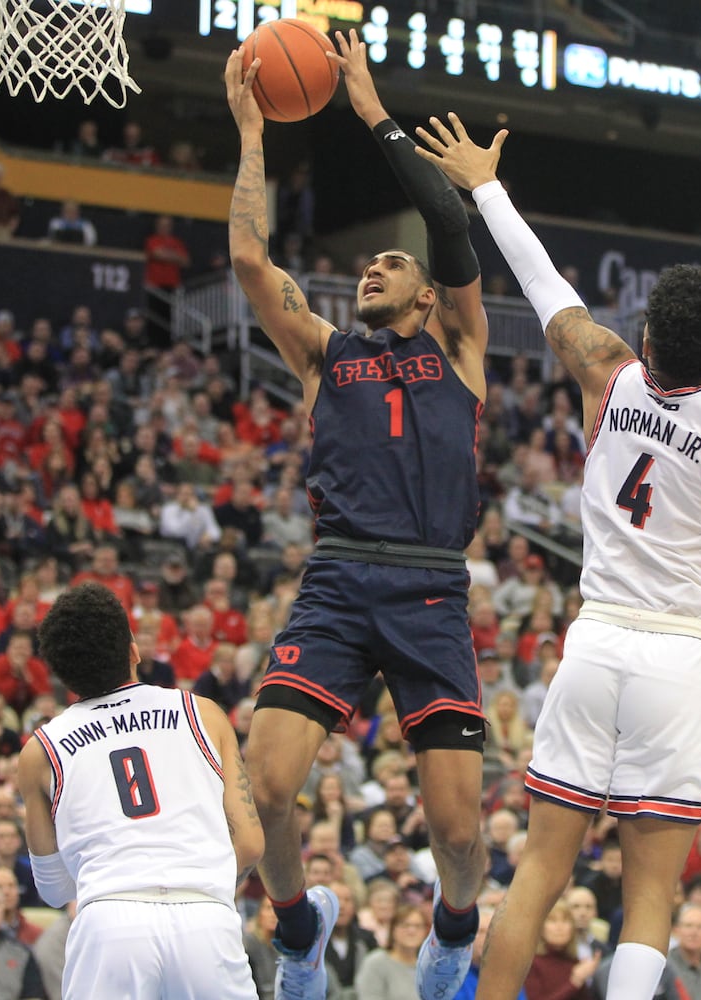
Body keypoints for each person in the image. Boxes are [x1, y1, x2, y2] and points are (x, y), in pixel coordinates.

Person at [414, 114, 701, 1000]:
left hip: (595, 643)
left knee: (543, 868)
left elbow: (542, 279)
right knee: (652, 893)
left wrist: (484, 187)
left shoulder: (606, 369)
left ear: (652, 332)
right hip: (677, 656)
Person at [226, 31, 493, 1000]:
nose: (372, 268)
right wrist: (253, 129)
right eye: (368, 262)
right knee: (268, 786)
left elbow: (448, 224)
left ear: (428, 293)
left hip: (430, 585)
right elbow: (251, 257)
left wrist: (373, 111)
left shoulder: (463, 344)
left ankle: (454, 935)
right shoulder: (324, 354)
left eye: (391, 262)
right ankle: (300, 932)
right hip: (340, 576)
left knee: (460, 835)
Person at [18, 583, 263, 1000]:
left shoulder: (40, 750)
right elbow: (251, 843)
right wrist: (200, 877)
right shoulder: (202, 712)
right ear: (134, 650)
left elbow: (54, 889)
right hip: (203, 914)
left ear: (60, 674)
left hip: (109, 924)